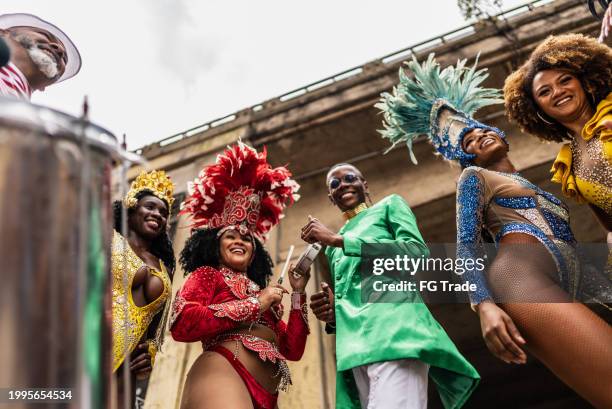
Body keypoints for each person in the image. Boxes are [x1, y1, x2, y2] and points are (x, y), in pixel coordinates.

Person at [377, 53, 612, 408]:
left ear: (500, 134)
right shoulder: (475, 178)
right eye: (467, 144)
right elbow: (466, 249)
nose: (477, 139)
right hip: (519, 277)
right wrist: (483, 305)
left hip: (574, 274)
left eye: (481, 131)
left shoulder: (548, 185)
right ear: (466, 159)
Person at [303, 162, 480, 409]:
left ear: (364, 184)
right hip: (354, 348)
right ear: (331, 198)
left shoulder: (388, 206)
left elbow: (416, 252)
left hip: (396, 331)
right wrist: (333, 312)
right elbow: (353, 293)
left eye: (349, 178)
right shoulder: (333, 251)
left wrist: (338, 239)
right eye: (335, 184)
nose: (343, 184)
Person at [170, 142, 308, 409]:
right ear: (215, 245)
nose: (239, 241)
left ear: (254, 253)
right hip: (221, 373)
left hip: (268, 396)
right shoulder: (208, 275)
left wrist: (299, 293)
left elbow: (293, 350)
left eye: (247, 239)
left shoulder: (263, 293)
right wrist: (256, 304)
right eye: (230, 236)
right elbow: (182, 323)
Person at [504, 34, 611, 244]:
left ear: (584, 83)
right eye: (545, 91)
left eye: (565, 80)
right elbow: (609, 225)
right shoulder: (569, 165)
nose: (558, 92)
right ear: (539, 110)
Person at [112, 170, 176, 407]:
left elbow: (155, 329)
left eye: (163, 212)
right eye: (150, 207)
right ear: (131, 206)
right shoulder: (106, 238)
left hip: (125, 371)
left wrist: (148, 354)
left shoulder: (165, 267)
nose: (157, 214)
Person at [0, 13, 81, 99]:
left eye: (64, 59)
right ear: (2, 34)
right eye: (45, 35)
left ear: (43, 87)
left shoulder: (26, 110)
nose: (60, 49)